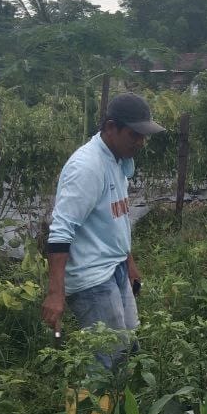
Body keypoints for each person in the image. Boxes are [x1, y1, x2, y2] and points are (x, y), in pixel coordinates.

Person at [42, 92, 162, 370]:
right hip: (92, 279)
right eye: (135, 134)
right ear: (111, 127)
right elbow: (60, 233)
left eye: (144, 135)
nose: (141, 142)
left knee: (130, 348)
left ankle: (121, 411)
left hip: (115, 269)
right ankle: (91, 410)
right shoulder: (87, 167)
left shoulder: (117, 159)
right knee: (108, 362)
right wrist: (55, 293)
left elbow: (116, 219)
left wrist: (128, 263)